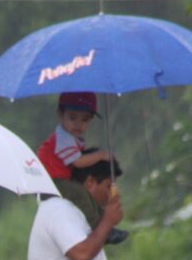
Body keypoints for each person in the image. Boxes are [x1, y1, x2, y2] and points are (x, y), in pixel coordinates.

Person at [37, 91, 129, 245]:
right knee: (80, 193)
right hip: (52, 181)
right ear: (61, 114)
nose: (78, 124)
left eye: (84, 119)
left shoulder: (72, 138)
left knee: (87, 197)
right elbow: (78, 162)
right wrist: (101, 155)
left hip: (60, 178)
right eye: (72, 117)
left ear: (91, 119)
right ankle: (99, 229)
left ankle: (105, 225)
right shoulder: (63, 138)